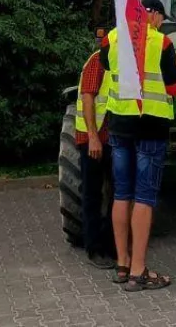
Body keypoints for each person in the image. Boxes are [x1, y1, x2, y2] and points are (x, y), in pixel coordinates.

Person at [97, 0, 176, 291]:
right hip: (151, 127)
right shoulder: (162, 44)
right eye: (161, 18)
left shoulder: (111, 38)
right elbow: (174, 87)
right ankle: (138, 271)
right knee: (144, 196)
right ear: (153, 15)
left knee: (122, 194)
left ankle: (122, 264)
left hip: (120, 124)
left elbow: (107, 68)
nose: (161, 24)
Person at [75, 34, 117, 268]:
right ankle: (94, 248)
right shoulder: (97, 62)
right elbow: (88, 98)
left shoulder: (117, 63)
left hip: (112, 138)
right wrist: (93, 137)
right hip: (93, 138)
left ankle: (111, 245)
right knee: (92, 194)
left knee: (117, 193)